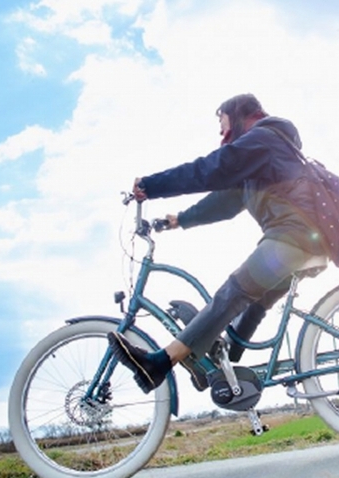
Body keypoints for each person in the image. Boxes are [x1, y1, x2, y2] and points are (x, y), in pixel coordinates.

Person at [108, 94, 327, 393]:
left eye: (222, 122)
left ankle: (159, 363)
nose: (221, 131)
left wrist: (153, 185)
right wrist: (179, 219)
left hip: (295, 238)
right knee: (254, 302)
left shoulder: (262, 139)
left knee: (235, 290)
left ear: (238, 115)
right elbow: (224, 202)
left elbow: (211, 169)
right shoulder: (262, 156)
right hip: (304, 242)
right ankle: (216, 365)